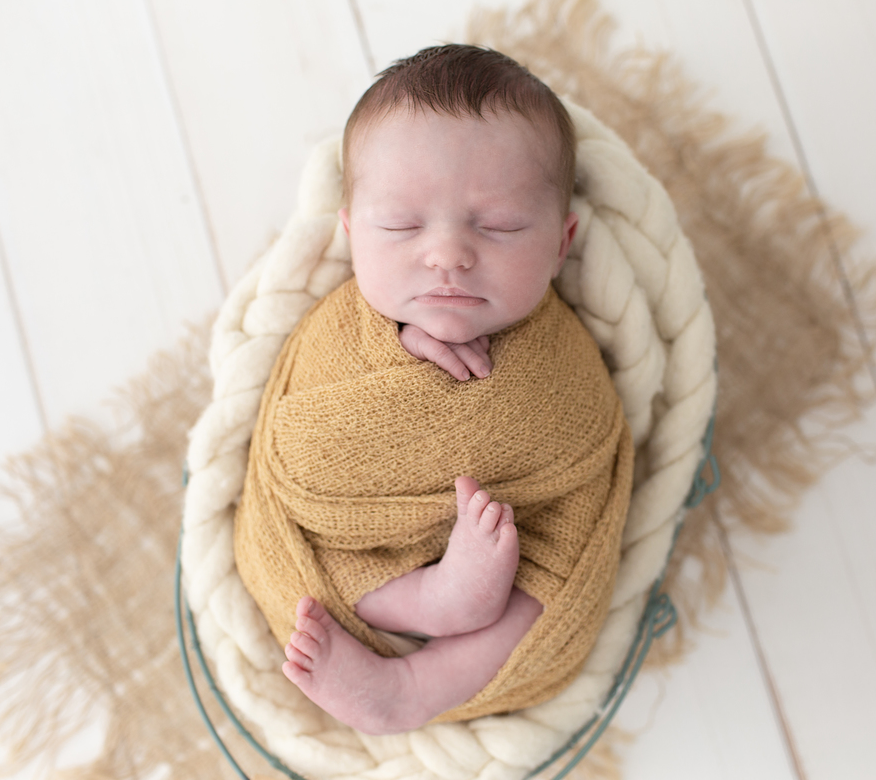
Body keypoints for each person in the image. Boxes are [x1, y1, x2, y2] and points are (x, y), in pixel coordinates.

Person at [237, 44, 632, 735]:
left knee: (557, 581)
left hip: (527, 531)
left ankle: (415, 686)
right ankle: (427, 602)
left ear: (561, 242)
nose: (447, 253)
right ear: (352, 233)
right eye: (402, 225)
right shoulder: (343, 319)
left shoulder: (563, 355)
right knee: (303, 561)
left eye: (500, 225)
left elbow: (586, 439)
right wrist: (394, 339)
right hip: (359, 551)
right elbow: (297, 440)